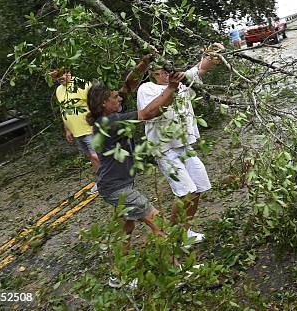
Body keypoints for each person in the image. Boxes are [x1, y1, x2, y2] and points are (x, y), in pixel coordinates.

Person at [86, 55, 185, 265]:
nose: (120, 98)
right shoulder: (111, 123)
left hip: (114, 185)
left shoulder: (105, 118)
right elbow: (149, 113)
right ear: (104, 103)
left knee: (126, 228)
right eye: (115, 97)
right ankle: (177, 269)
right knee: (157, 220)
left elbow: (128, 87)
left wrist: (144, 63)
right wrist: (171, 88)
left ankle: (119, 275)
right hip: (117, 188)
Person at [136, 43, 224, 244]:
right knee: (186, 193)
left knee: (198, 188)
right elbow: (150, 113)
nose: (166, 73)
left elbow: (201, 68)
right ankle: (174, 238)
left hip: (185, 146)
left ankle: (185, 232)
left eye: (168, 68)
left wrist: (212, 52)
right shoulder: (146, 89)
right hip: (165, 149)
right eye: (161, 70)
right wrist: (172, 87)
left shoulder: (182, 82)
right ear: (152, 71)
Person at [52, 69, 99, 194]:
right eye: (56, 77)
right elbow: (63, 111)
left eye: (60, 75)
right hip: (76, 131)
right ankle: (101, 181)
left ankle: (106, 180)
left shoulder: (83, 84)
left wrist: (96, 124)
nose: (59, 78)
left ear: (68, 71)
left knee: (96, 156)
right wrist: (67, 129)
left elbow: (94, 105)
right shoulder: (59, 90)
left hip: (89, 128)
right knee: (91, 156)